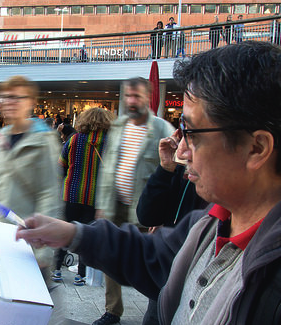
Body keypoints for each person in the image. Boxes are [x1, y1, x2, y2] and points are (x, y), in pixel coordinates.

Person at [16, 41, 281, 325]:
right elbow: (151, 255)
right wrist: (70, 233)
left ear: (256, 148)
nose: (182, 152)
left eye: (192, 133)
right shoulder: (209, 224)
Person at [91, 77, 174, 325]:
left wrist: (161, 217)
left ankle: (159, 306)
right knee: (109, 256)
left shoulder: (162, 129)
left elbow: (171, 175)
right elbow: (108, 169)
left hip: (145, 209)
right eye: (128, 96)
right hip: (115, 204)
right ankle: (112, 311)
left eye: (136, 96)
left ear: (147, 97)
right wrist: (102, 204)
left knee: (153, 261)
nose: (131, 101)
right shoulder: (118, 127)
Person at [0, 75, 62, 269]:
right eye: (5, 97)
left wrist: (42, 246)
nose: (10, 103)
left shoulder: (43, 141)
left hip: (27, 239)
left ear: (30, 102)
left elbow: (48, 193)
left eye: (17, 97)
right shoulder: (1, 138)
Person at [136, 128, 208, 325]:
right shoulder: (181, 171)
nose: (183, 150)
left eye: (193, 136)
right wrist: (165, 168)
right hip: (168, 273)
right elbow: (147, 215)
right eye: (184, 134)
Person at [51, 107, 112, 286]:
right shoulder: (109, 143)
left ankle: (56, 270)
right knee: (86, 236)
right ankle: (81, 275)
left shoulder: (74, 139)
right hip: (95, 198)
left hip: (71, 194)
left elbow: (60, 167)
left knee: (66, 231)